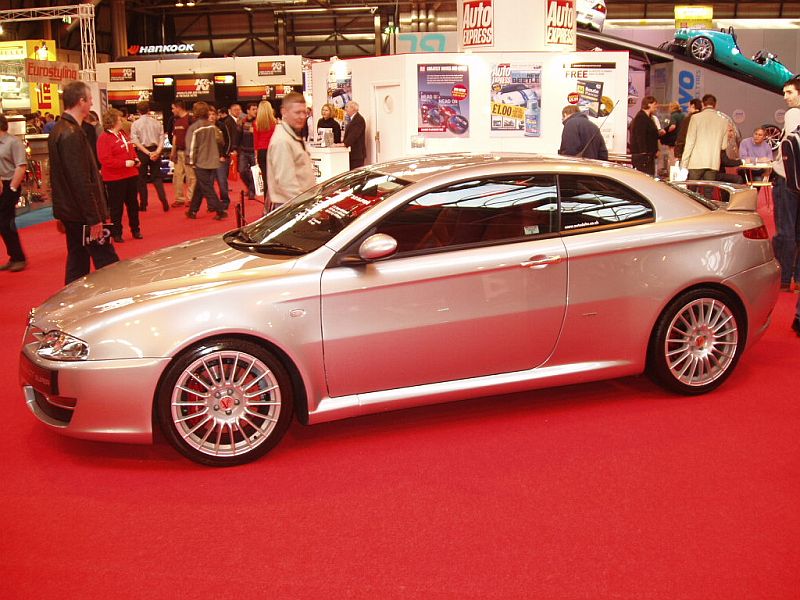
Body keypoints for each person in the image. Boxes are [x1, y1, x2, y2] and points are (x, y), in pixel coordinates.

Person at [48, 80, 119, 284]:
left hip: (72, 211)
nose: (91, 104)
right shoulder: (71, 134)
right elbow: (80, 179)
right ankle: (120, 301)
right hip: (82, 214)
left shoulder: (60, 130)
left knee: (78, 260)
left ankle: (71, 304)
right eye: (89, 100)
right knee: (107, 261)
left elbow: (59, 178)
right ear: (81, 101)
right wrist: (94, 218)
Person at [771, 77, 800, 291]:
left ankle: (782, 278)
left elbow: (790, 148)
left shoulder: (793, 114)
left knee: (785, 230)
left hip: (787, 179)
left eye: (789, 92)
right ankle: (797, 278)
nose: (785, 97)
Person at [97, 108, 141, 243]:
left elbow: (131, 149)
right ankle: (116, 233)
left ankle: (136, 229)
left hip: (131, 174)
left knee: (133, 204)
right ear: (113, 121)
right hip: (115, 178)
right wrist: (124, 163)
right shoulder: (104, 138)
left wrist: (135, 159)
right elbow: (104, 159)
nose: (122, 121)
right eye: (119, 119)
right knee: (116, 207)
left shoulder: (123, 134)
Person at [267, 92, 316, 209]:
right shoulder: (282, 141)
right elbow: (286, 183)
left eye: (304, 112)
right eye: (297, 112)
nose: (302, 116)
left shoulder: (292, 135)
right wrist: (307, 207)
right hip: (291, 206)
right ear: (284, 112)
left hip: (297, 203)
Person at [185, 101, 227, 220]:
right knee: (201, 186)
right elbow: (221, 141)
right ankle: (192, 210)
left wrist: (191, 162)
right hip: (213, 161)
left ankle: (220, 210)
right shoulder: (212, 126)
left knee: (207, 187)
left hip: (200, 162)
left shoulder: (194, 128)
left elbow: (192, 147)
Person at [0, 114, 28, 272]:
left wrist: (12, 187)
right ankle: (13, 256)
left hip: (11, 183)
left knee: (6, 222)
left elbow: (21, 166)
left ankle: (19, 257)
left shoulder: (13, 142)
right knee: (2, 223)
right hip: (1, 183)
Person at [130, 100, 169, 212]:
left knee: (141, 179)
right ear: (148, 110)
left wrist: (147, 153)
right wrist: (157, 151)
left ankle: (143, 205)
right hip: (155, 150)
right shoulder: (157, 123)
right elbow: (162, 138)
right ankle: (164, 201)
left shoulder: (135, 124)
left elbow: (135, 141)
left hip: (142, 152)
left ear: (138, 111)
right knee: (157, 177)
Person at [681, 94, 730, 181]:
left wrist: (684, 163)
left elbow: (690, 142)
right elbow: (723, 146)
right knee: (708, 192)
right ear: (715, 105)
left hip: (696, 162)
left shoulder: (695, 118)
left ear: (703, 104)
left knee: (691, 192)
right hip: (713, 162)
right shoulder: (724, 121)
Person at [169, 100, 196, 207]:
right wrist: (173, 152)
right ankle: (179, 198)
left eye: (173, 108)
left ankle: (190, 199)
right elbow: (175, 137)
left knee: (191, 177)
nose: (172, 110)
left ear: (178, 107)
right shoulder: (176, 121)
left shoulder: (190, 119)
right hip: (179, 152)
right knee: (177, 176)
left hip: (188, 152)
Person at [208, 105, 232, 211]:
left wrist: (224, 155)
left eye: (213, 114)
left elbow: (229, 141)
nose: (212, 117)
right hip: (208, 160)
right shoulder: (203, 127)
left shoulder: (222, 125)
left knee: (222, 181)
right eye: (209, 114)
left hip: (221, 158)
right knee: (209, 183)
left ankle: (225, 201)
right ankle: (212, 204)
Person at [629, 96, 659, 175]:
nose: (656, 106)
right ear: (648, 104)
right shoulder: (641, 118)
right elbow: (640, 137)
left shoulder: (648, 118)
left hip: (648, 155)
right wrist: (644, 153)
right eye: (655, 104)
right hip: (643, 157)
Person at [253, 100, 277, 199]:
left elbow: (255, 141)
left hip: (261, 152)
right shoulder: (275, 123)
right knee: (274, 178)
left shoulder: (256, 124)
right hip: (272, 151)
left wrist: (256, 155)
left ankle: (266, 203)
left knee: (265, 178)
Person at [237, 103, 258, 200]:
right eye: (253, 109)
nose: (256, 111)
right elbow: (238, 135)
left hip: (255, 151)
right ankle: (250, 187)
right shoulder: (242, 122)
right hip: (243, 150)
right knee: (242, 171)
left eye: (256, 109)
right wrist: (235, 148)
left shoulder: (258, 121)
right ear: (248, 111)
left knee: (254, 172)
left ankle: (252, 191)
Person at [342, 100, 366, 169]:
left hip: (357, 154)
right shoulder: (352, 119)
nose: (345, 109)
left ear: (353, 108)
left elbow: (354, 135)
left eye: (347, 107)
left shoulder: (358, 120)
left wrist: (345, 143)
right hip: (352, 154)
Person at [660, 101, 683, 169]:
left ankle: (673, 173)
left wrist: (666, 131)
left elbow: (673, 126)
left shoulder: (673, 115)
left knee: (672, 157)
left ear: (672, 107)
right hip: (681, 140)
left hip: (673, 140)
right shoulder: (682, 115)